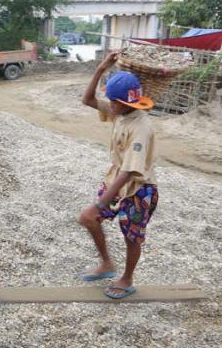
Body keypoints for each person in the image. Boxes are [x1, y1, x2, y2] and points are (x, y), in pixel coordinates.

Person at [77, 52, 159, 299]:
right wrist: (100, 68)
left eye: (113, 101)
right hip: (116, 180)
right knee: (88, 219)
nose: (108, 104)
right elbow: (88, 99)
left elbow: (129, 171)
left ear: (126, 103)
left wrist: (101, 203)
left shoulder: (141, 127)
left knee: (132, 236)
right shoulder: (119, 112)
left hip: (139, 188)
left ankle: (127, 278)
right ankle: (107, 264)